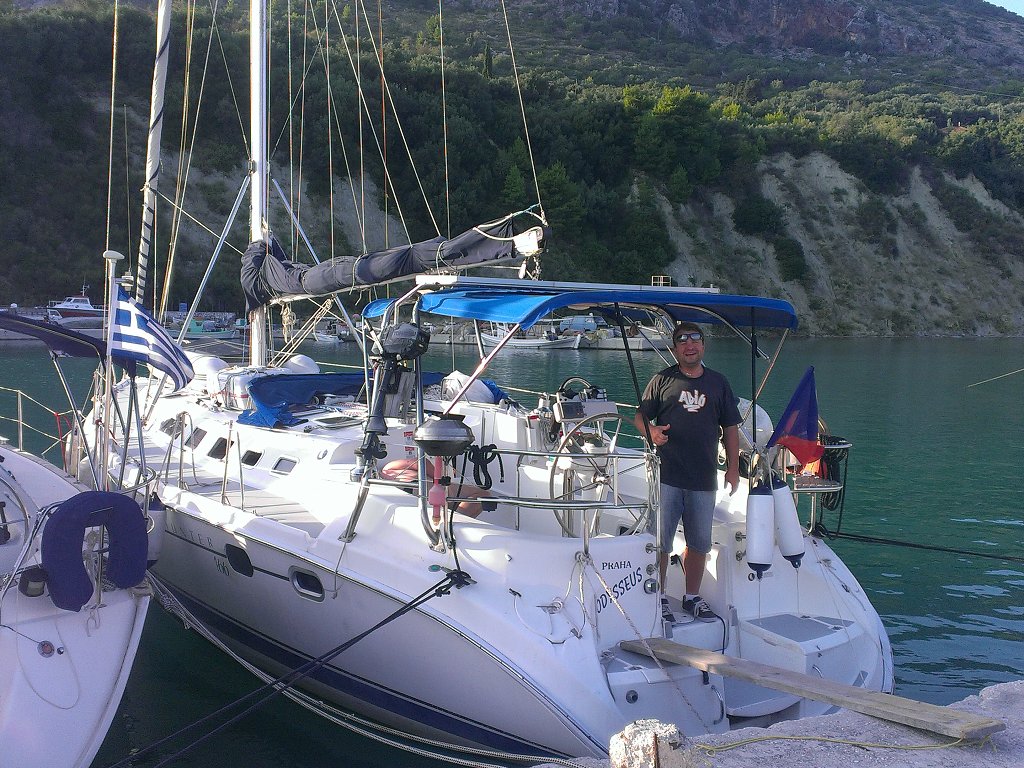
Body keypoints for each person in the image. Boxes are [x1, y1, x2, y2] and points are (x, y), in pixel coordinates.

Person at [633, 322, 741, 623]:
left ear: (703, 345)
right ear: (674, 348)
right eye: (682, 340)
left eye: (695, 340)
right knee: (661, 542)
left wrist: (733, 469)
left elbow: (731, 428)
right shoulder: (661, 380)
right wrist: (651, 431)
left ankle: (692, 597)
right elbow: (640, 417)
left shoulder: (719, 383)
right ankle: (659, 597)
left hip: (704, 479)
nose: (689, 345)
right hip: (667, 476)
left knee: (699, 543)